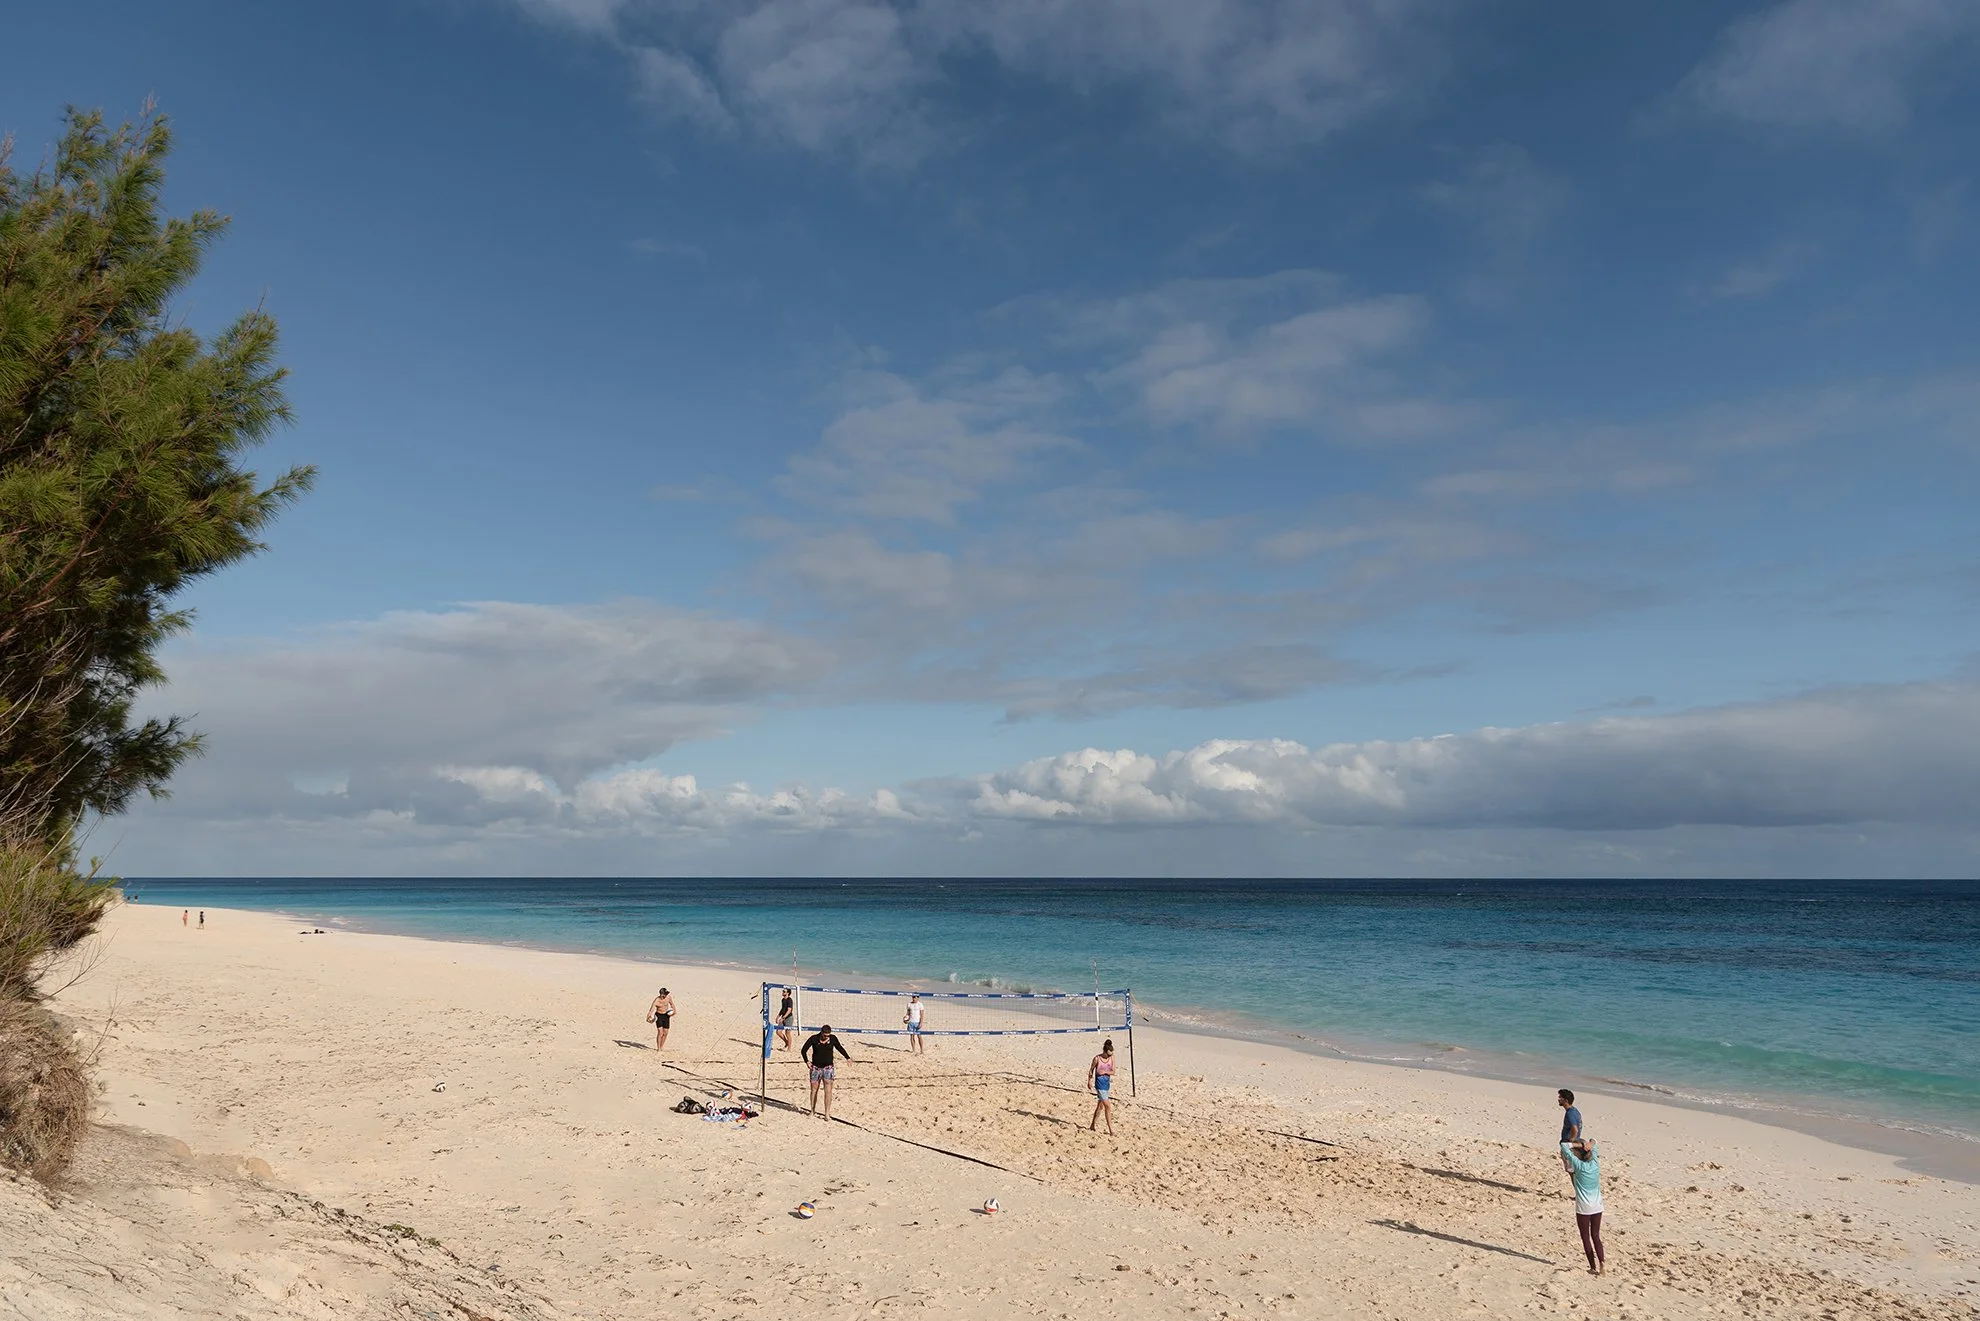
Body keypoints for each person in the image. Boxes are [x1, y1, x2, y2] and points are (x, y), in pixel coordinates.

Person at [1560, 1136, 1605, 1274]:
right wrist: (1589, 1143)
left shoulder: (1578, 1166)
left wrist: (1578, 1145)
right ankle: (1602, 1262)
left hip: (1583, 1208)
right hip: (1598, 1206)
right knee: (1596, 1236)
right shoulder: (1595, 1163)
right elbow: (1595, 1141)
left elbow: (1564, 1146)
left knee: (1585, 1237)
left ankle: (1592, 1267)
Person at [800, 1024, 852, 1120]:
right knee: (814, 1090)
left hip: (828, 1068)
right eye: (825, 1035)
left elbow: (839, 1047)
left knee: (828, 1091)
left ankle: (827, 1114)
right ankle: (812, 1111)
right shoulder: (814, 1039)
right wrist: (806, 1061)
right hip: (816, 1068)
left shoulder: (833, 1039)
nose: (827, 1037)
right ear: (821, 1033)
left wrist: (847, 1057)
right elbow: (803, 1050)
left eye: (828, 1035)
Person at [1087, 1038, 1118, 1135]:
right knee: (1108, 1106)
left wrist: (1105, 1072)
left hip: (1106, 1084)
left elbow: (1113, 1071)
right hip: (1099, 1084)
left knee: (1100, 1107)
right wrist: (1089, 1081)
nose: (1109, 1056)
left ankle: (1092, 1125)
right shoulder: (1097, 1058)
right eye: (1108, 1054)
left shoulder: (1111, 1058)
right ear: (1104, 1051)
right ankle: (1111, 1130)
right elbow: (1091, 1070)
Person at [647, 987, 676, 1053]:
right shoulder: (656, 1000)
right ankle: (658, 1048)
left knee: (665, 1033)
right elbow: (651, 1010)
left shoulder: (668, 997)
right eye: (665, 994)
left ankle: (662, 1046)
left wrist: (674, 1011)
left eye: (666, 994)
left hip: (666, 1016)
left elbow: (672, 1004)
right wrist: (648, 1017)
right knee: (660, 1032)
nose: (666, 995)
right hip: (659, 1016)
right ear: (661, 994)